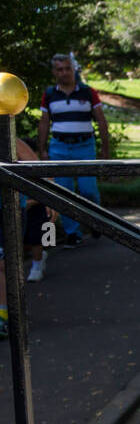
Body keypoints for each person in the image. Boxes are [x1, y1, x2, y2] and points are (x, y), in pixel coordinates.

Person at [38, 53, 111, 249]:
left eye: (67, 68)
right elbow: (44, 122)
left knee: (89, 190)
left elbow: (101, 120)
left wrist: (105, 147)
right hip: (59, 147)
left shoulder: (88, 92)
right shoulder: (50, 94)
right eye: (60, 69)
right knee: (64, 192)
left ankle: (96, 221)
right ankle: (73, 233)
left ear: (73, 69)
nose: (64, 73)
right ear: (54, 72)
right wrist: (42, 149)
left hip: (84, 146)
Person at [0, 139, 55, 337]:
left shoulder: (5, 134)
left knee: (5, 263)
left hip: (9, 207)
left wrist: (50, 197)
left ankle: (6, 315)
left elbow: (33, 164)